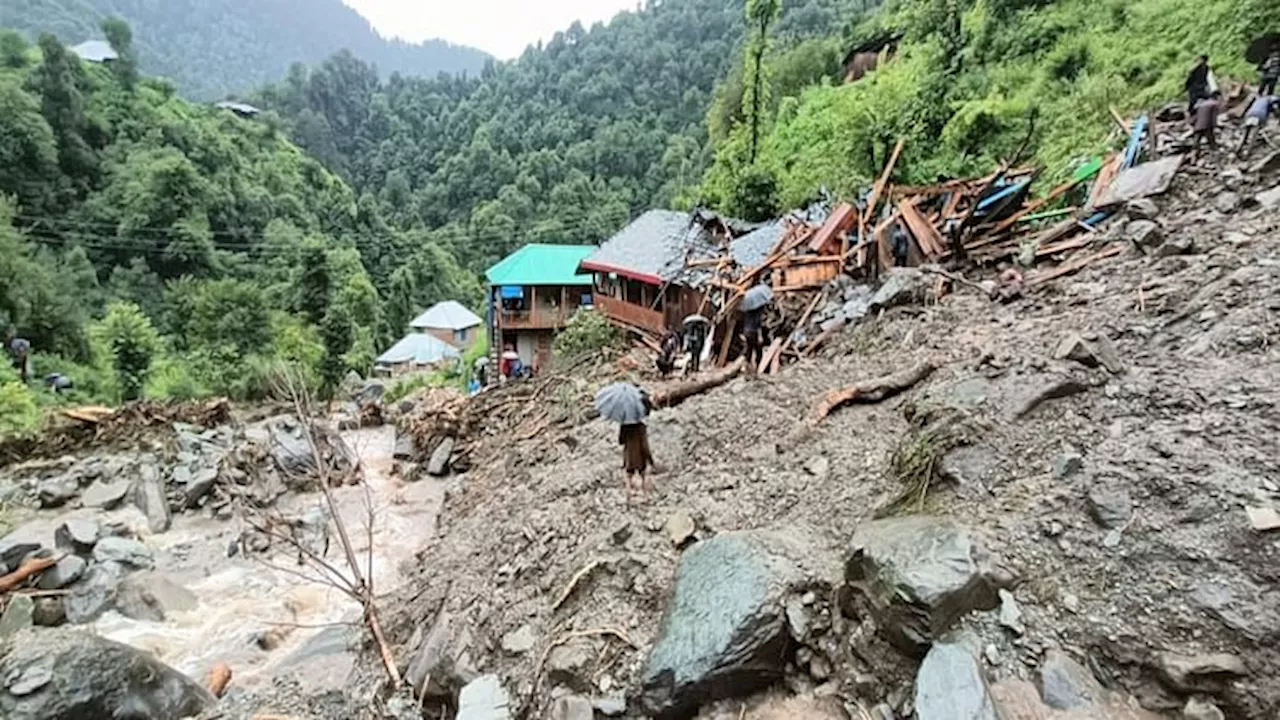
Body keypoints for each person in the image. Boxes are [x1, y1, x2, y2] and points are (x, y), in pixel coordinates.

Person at [618, 392, 654, 505]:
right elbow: (644, 444)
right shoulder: (641, 427)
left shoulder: (624, 426)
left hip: (628, 456)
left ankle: (628, 496)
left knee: (628, 475)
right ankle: (646, 495)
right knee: (643, 474)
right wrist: (650, 458)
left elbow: (620, 441)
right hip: (640, 455)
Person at [1191, 91, 1221, 158]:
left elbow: (1196, 114)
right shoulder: (1214, 104)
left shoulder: (1202, 104)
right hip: (1207, 126)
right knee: (1211, 141)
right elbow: (1214, 117)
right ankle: (1216, 156)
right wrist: (1215, 126)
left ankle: (1194, 157)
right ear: (1216, 97)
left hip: (1198, 125)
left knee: (1196, 142)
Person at [742, 306, 764, 374]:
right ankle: (756, 369)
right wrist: (760, 336)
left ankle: (746, 368)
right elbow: (758, 324)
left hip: (746, 331)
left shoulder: (747, 310)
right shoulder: (757, 311)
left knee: (749, 349)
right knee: (758, 351)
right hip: (753, 332)